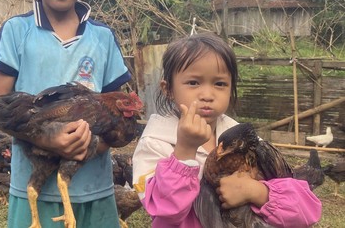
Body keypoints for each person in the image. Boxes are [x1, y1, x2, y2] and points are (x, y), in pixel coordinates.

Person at [0, 0, 132, 227]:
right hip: (34, 191)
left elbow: (120, 116)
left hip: (94, 189)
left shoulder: (103, 38)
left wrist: (92, 145)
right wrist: (46, 139)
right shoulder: (17, 31)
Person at [131, 33, 321, 227]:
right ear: (168, 89)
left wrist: (257, 191)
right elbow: (163, 212)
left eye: (219, 84)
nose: (207, 94)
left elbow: (307, 211)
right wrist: (184, 153)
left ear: (231, 89)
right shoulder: (154, 143)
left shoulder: (246, 142)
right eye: (193, 82)